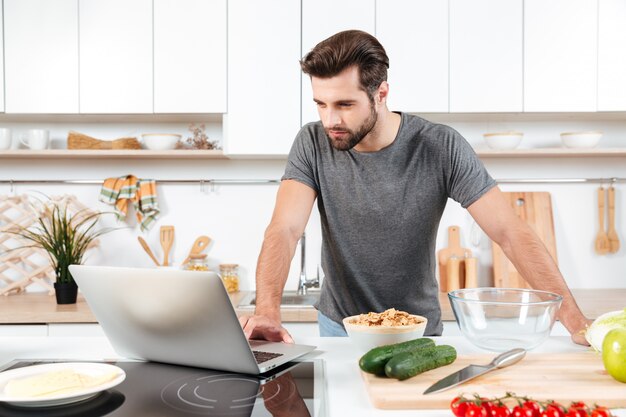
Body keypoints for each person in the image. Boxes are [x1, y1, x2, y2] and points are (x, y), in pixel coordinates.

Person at [239, 29, 590, 345]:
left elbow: (509, 231)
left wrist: (574, 321)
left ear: (381, 93)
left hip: (417, 329)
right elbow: (284, 229)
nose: (330, 120)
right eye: (321, 104)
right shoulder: (312, 142)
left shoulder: (439, 145)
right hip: (339, 327)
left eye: (345, 105)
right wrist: (267, 310)